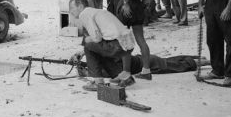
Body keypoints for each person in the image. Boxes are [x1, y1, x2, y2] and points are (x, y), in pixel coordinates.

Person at [69, 0, 136, 89]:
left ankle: (98, 82)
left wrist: (87, 40)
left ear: (80, 6)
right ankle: (125, 77)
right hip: (127, 44)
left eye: (72, 8)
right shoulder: (96, 11)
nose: (71, 11)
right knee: (98, 50)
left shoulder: (84, 14)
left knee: (88, 45)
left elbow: (96, 38)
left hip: (118, 45)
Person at [70, 49, 209, 79]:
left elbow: (103, 73)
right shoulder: (112, 54)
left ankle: (206, 62)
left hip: (150, 64)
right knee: (173, 61)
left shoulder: (113, 66)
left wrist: (85, 71)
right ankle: (203, 60)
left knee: (181, 66)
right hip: (146, 59)